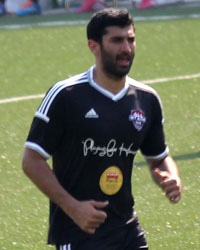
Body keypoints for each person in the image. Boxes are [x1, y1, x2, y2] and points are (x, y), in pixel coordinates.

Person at [22, 8, 182, 250]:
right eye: (117, 40)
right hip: (79, 232)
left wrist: (171, 176)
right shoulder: (66, 95)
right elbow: (31, 160)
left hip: (127, 229)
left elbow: (158, 157)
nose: (126, 48)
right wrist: (73, 207)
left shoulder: (146, 99)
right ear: (93, 45)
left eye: (130, 39)